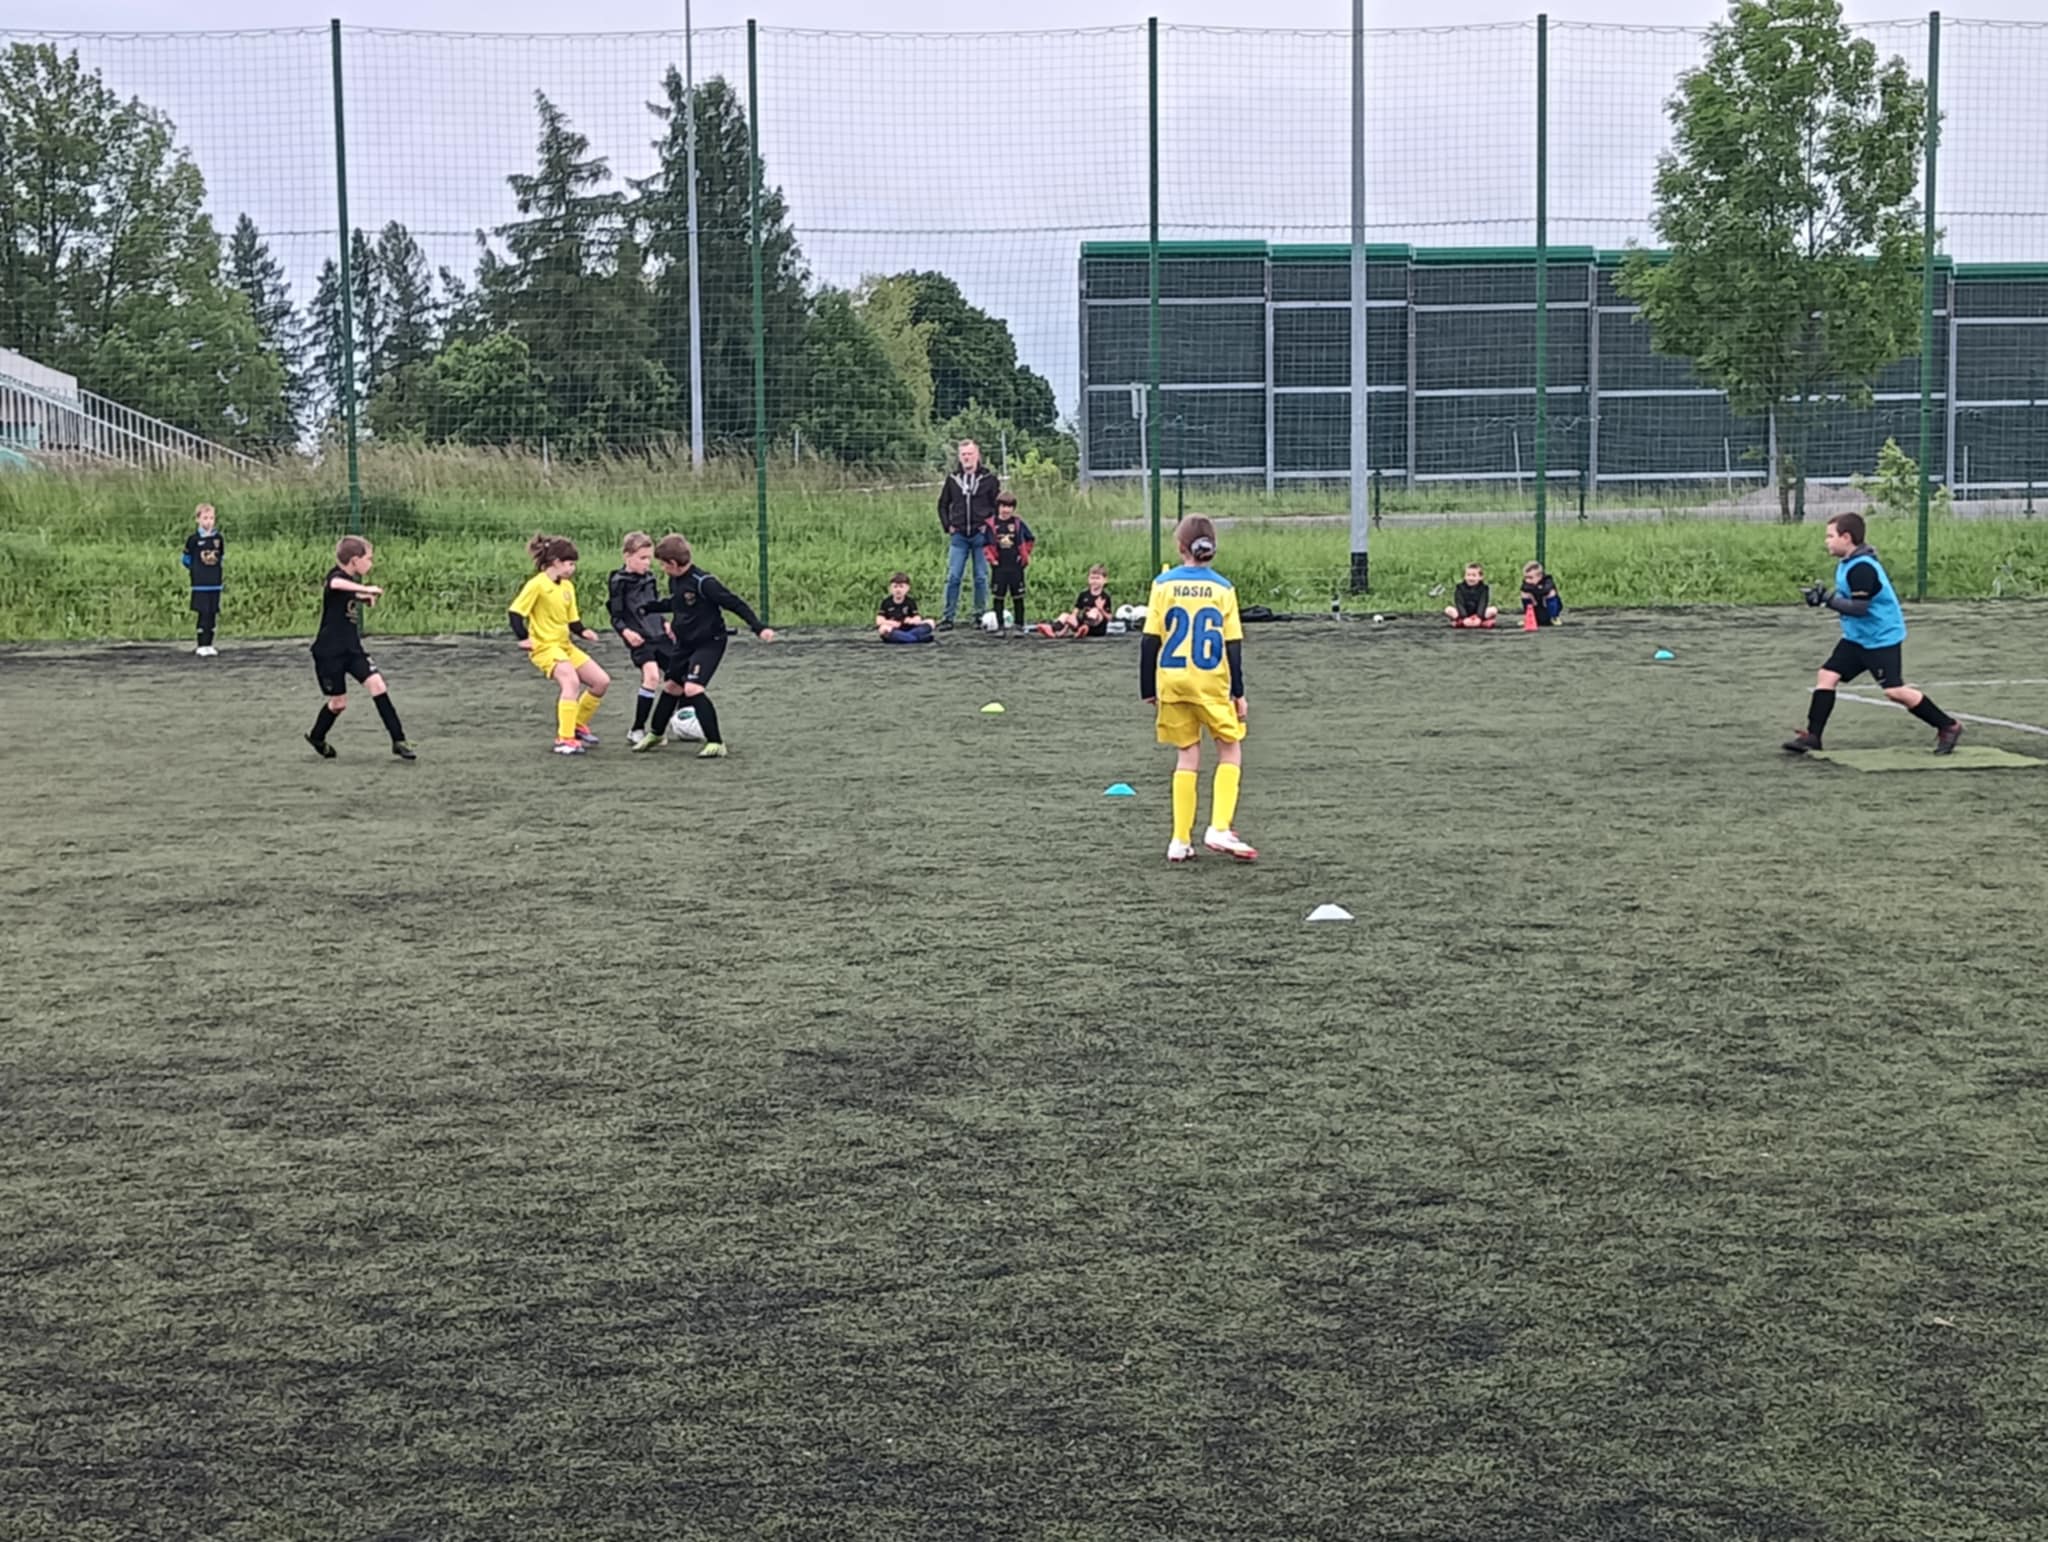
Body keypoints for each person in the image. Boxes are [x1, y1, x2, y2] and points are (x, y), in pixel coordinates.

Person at [1784, 511, 1962, 757]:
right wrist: (1824, 599)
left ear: (1846, 538)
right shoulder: (1848, 563)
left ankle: (1948, 726)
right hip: (1857, 637)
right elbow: (1848, 599)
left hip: (1880, 638)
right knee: (1827, 676)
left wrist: (1827, 600)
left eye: (1830, 536)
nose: (1826, 541)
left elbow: (1860, 608)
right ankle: (1813, 737)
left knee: (1894, 691)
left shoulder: (1862, 568)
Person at [1141, 515, 1255, 865]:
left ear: (1180, 547)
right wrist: (1238, 693)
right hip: (1210, 683)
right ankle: (1219, 827)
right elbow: (1233, 645)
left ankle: (1179, 840)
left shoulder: (1163, 584)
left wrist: (1147, 687)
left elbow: (1150, 640)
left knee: (1187, 754)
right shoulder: (1223, 589)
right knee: (1230, 749)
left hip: (1173, 683)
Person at [634, 534, 777, 759]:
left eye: (663, 564)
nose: (661, 568)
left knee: (692, 688)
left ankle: (716, 742)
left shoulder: (704, 583)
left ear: (673, 563)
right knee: (671, 686)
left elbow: (734, 603)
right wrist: (650, 608)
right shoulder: (675, 580)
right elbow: (678, 603)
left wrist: (758, 628)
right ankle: (656, 734)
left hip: (709, 643)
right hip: (685, 643)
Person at [304, 536, 415, 761]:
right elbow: (335, 585)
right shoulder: (336, 576)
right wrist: (365, 588)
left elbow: (347, 594)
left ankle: (399, 740)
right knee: (338, 704)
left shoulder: (348, 583)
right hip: (329, 653)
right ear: (355, 560)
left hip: (352, 650)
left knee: (378, 685)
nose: (371, 563)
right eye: (369, 559)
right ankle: (317, 737)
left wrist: (363, 598)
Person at [509, 533, 609, 756]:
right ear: (556, 562)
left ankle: (576, 724)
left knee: (601, 682)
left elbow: (572, 620)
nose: (573, 568)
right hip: (545, 647)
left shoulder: (567, 587)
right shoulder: (537, 585)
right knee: (570, 682)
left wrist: (583, 632)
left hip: (565, 646)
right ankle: (565, 739)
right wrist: (523, 638)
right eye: (570, 563)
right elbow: (515, 613)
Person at [609, 531, 671, 746]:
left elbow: (653, 605)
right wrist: (626, 632)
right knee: (652, 676)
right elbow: (615, 616)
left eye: (649, 558)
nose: (647, 563)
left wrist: (665, 622)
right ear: (627, 556)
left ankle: (676, 722)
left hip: (659, 634)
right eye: (642, 558)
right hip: (640, 638)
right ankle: (637, 729)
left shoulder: (650, 578)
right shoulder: (619, 582)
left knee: (679, 677)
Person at [937, 438, 1000, 629]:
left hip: (980, 534)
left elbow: (997, 506)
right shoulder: (953, 479)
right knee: (953, 576)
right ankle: (948, 617)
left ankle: (979, 616)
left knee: (980, 577)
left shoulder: (989, 479)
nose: (967, 458)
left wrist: (989, 526)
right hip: (959, 535)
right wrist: (948, 525)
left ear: (977, 455)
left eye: (970, 454)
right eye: (963, 454)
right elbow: (942, 505)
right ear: (959, 457)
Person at [982, 490, 1034, 633]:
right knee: (999, 597)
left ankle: (1019, 625)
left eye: (1009, 507)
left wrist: (1024, 555)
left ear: (1013, 508)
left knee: (1018, 597)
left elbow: (1030, 539)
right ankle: (1000, 626)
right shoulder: (991, 524)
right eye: (1003, 506)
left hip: (1016, 566)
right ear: (998, 507)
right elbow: (985, 544)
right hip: (999, 566)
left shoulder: (1018, 523)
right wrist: (992, 559)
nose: (1006, 510)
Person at [182, 503, 225, 657]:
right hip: (200, 584)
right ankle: (201, 645)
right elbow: (186, 559)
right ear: (198, 519)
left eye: (211, 518)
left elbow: (221, 557)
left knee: (212, 614)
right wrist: (197, 570)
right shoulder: (193, 540)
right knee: (203, 613)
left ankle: (209, 644)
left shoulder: (218, 538)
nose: (209, 521)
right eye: (205, 518)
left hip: (215, 583)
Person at [1049, 565, 1115, 638]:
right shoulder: (1083, 594)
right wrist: (1072, 617)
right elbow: (1077, 608)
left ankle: (1083, 629)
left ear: (1104, 580)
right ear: (1088, 579)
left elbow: (1109, 618)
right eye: (1092, 578)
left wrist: (1101, 609)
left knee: (1094, 611)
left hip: (1097, 629)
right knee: (1065, 615)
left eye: (1097, 578)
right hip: (1083, 624)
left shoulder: (1105, 597)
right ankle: (1054, 630)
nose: (1094, 581)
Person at [877, 572, 935, 643]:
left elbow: (917, 618)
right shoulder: (886, 602)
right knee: (883, 629)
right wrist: (891, 623)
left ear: (907, 588)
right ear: (890, 588)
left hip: (909, 628)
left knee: (930, 622)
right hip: (894, 628)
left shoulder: (910, 602)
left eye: (901, 586)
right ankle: (916, 639)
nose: (898, 589)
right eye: (895, 587)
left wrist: (911, 620)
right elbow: (879, 620)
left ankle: (907, 637)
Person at [1445, 563, 1498, 628]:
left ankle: (1473, 623)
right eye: (1468, 575)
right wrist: (1464, 617)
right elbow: (1459, 603)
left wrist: (1478, 617)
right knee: (1448, 610)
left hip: (1479, 613)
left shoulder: (1484, 589)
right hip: (1463, 613)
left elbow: (1483, 603)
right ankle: (1464, 622)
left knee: (1493, 610)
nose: (1471, 578)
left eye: (1474, 575)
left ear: (1480, 577)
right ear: (1464, 576)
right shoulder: (1459, 588)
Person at [1520, 561, 1563, 627]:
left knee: (1551, 593)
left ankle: (1554, 617)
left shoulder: (1547, 581)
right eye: (1526, 577)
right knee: (1525, 594)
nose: (1527, 580)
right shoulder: (1527, 584)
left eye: (1530, 578)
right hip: (1536, 610)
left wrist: (1536, 591)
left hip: (1546, 610)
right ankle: (1529, 617)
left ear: (1539, 576)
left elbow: (1546, 590)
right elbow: (1524, 589)